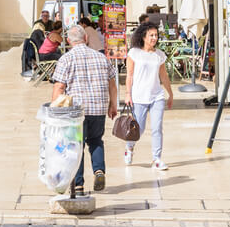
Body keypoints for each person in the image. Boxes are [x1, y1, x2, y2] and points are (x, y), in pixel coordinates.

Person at [51, 24, 118, 197]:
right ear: (86, 38)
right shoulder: (102, 58)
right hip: (98, 109)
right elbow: (112, 84)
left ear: (68, 41)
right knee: (96, 140)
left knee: (76, 146)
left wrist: (54, 112)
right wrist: (113, 104)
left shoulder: (66, 59)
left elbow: (59, 87)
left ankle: (79, 185)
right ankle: (99, 171)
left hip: (76, 112)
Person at [124, 21, 174, 171]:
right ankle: (129, 148)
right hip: (139, 96)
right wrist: (128, 94)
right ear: (143, 36)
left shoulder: (159, 55)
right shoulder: (134, 53)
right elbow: (130, 76)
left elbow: (163, 76)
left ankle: (157, 159)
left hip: (157, 96)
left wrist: (170, 94)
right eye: (151, 35)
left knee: (157, 127)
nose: (154, 38)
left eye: (156, 35)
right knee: (138, 129)